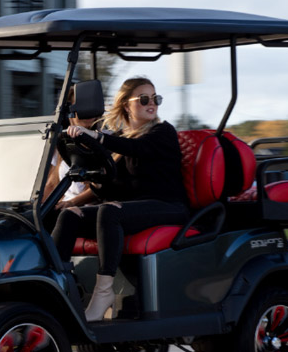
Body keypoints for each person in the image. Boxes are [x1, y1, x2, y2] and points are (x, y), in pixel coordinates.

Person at [51, 76, 190, 321]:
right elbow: (109, 185)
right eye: (144, 99)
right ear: (127, 105)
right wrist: (74, 200)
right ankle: (59, 287)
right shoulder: (120, 138)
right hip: (135, 208)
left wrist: (96, 138)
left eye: (156, 98)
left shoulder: (162, 132)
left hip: (168, 206)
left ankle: (103, 292)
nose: (152, 104)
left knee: (110, 211)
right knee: (69, 216)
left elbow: (136, 149)